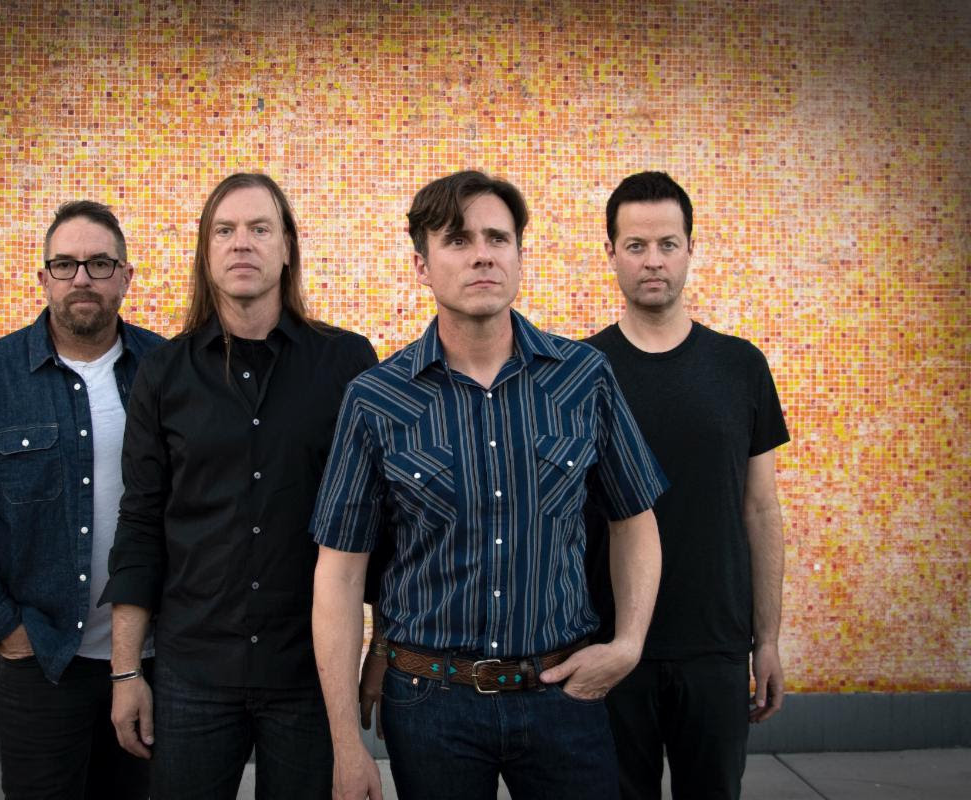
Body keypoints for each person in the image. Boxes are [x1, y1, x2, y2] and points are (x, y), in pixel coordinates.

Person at [311, 170, 667, 800]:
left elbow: (634, 522)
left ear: (519, 256)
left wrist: (629, 644)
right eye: (457, 240)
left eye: (497, 238)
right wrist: (344, 743)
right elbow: (339, 576)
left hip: (563, 693)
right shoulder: (375, 399)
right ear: (422, 266)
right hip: (430, 703)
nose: (482, 254)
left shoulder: (583, 378)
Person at [102, 173, 378, 799]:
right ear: (206, 252)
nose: (241, 243)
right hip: (193, 672)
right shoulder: (163, 373)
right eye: (224, 231)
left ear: (287, 248)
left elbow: (382, 520)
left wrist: (384, 645)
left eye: (259, 228)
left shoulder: (346, 364)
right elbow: (140, 523)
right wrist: (125, 671)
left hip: (309, 672)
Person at [0, 201, 163, 799]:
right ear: (43, 278)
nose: (81, 278)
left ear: (126, 278)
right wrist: (6, 629)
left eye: (100, 264)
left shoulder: (168, 368)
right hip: (42, 660)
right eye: (65, 264)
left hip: (154, 659)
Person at [584, 171, 790, 799]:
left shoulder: (740, 366)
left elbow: (760, 510)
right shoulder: (579, 372)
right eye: (636, 245)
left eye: (667, 244)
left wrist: (768, 640)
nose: (653, 260)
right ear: (611, 253)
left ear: (690, 249)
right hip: (608, 644)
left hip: (715, 645)